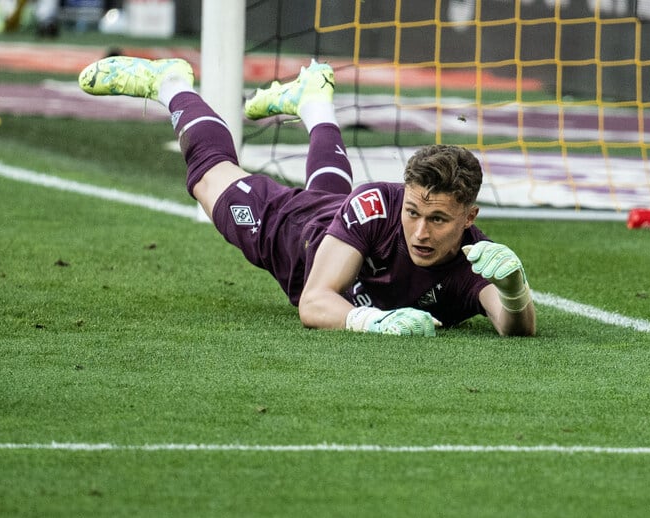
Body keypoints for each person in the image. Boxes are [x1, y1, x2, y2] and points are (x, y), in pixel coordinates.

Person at [78, 56, 536, 337]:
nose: (419, 231)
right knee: (209, 176)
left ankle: (314, 101)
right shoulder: (378, 205)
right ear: (404, 197)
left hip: (336, 224)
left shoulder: (475, 260)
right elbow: (315, 302)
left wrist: (514, 290)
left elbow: (514, 326)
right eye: (413, 212)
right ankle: (171, 82)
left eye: (437, 220)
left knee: (331, 197)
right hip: (294, 234)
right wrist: (371, 321)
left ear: (468, 216)